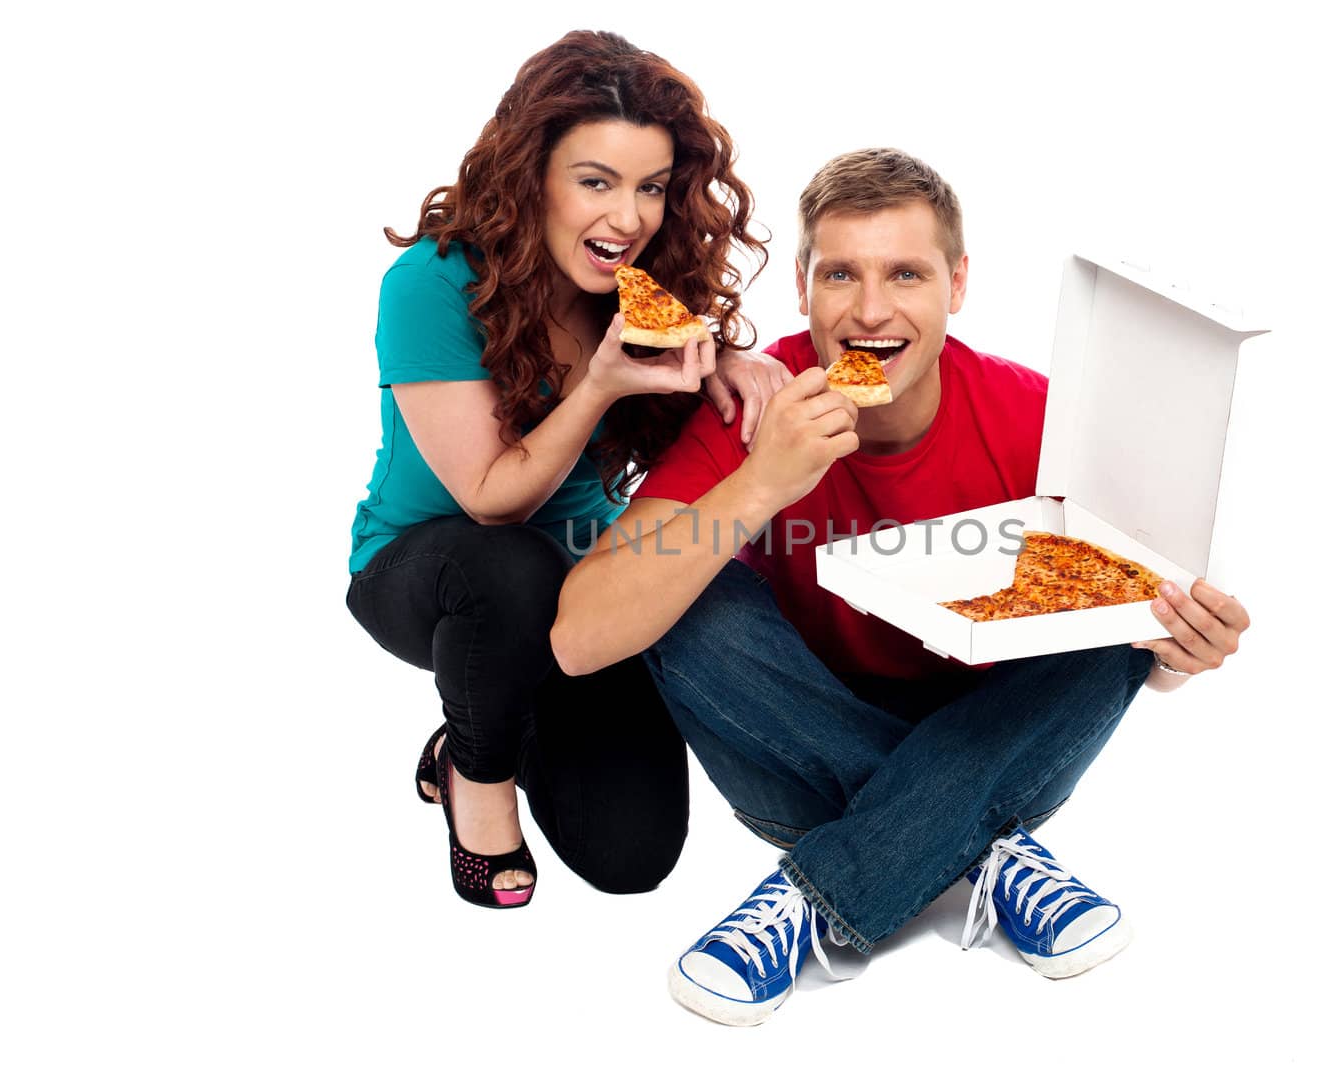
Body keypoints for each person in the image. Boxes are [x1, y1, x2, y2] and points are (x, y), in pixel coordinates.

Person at [551, 147, 1252, 1023]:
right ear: (802, 284)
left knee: (1118, 589)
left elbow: (1146, 649)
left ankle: (827, 885)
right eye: (840, 273)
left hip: (996, 730)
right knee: (691, 595)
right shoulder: (755, 404)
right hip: (793, 749)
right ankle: (980, 844)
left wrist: (1184, 650)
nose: (871, 309)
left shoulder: (1037, 420)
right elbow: (579, 637)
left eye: (906, 273)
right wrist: (760, 484)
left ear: (957, 285)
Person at [345, 31, 789, 910]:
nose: (628, 218)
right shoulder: (429, 284)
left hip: (582, 575)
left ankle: (489, 707)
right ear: (531, 173)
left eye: (651, 188)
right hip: (434, 570)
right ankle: (477, 773)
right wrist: (596, 385)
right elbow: (490, 500)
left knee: (631, 855)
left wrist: (727, 365)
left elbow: (681, 394)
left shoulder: (630, 282)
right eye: (597, 181)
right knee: (510, 566)